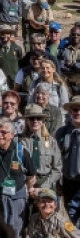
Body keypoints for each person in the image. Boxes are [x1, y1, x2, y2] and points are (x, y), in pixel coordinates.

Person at [20, 104, 62, 193]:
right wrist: (27, 184)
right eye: (31, 118)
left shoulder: (51, 141)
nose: (35, 121)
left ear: (43, 121)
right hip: (24, 184)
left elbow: (57, 169)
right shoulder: (18, 141)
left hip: (46, 183)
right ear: (26, 121)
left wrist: (43, 187)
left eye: (38, 118)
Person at [55, 96, 80, 226]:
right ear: (70, 111)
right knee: (70, 220)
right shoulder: (61, 133)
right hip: (69, 183)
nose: (78, 112)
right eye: (75, 109)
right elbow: (55, 158)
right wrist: (58, 181)